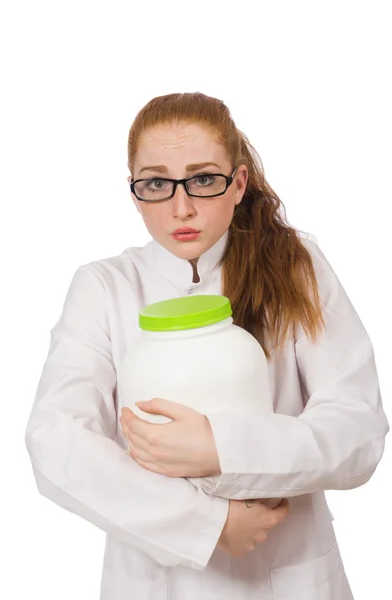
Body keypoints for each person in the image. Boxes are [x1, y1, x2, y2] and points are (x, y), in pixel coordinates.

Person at [25, 92, 389, 600]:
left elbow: (358, 431)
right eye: (156, 183)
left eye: (202, 179)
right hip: (155, 583)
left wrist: (222, 448)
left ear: (238, 183)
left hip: (289, 577)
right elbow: (56, 441)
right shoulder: (103, 287)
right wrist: (209, 524)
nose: (182, 206)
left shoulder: (294, 266)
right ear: (134, 192)